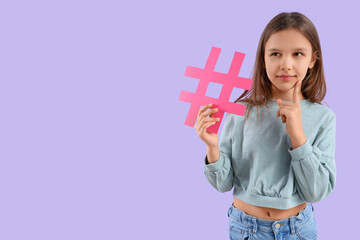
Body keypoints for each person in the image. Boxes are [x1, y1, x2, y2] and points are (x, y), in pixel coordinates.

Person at [195, 12, 336, 240]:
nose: (286, 64)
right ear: (263, 58)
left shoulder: (323, 117)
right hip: (245, 228)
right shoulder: (240, 111)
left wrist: (298, 135)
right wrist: (212, 148)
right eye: (275, 53)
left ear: (312, 59)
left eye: (298, 54)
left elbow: (317, 192)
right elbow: (223, 184)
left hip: (297, 230)